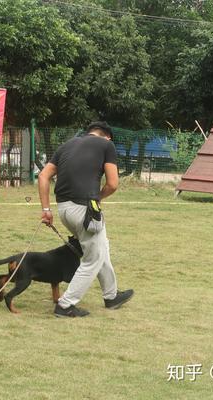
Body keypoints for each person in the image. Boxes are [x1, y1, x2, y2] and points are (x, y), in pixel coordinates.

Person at [38, 121, 134, 317]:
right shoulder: (107, 145)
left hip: (64, 210)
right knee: (92, 259)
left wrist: (46, 209)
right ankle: (65, 305)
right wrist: (97, 197)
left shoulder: (66, 145)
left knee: (100, 247)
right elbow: (113, 184)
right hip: (85, 211)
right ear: (107, 136)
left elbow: (43, 176)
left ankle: (111, 295)